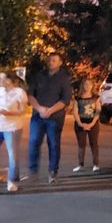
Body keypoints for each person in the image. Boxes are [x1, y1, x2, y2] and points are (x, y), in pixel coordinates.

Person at [25, 53, 72, 184]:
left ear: (60, 63)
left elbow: (65, 99)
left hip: (55, 118)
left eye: (54, 60)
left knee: (53, 144)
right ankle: (33, 172)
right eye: (50, 60)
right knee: (33, 142)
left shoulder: (64, 79)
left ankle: (53, 172)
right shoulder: (39, 76)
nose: (51, 62)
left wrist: (50, 110)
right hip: (38, 116)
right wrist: (39, 109)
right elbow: (30, 95)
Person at [70, 78, 102, 173]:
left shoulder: (96, 97)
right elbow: (75, 112)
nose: (87, 86)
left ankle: (96, 164)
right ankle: (80, 164)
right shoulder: (78, 98)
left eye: (89, 84)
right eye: (85, 84)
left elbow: (98, 111)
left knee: (94, 144)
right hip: (80, 124)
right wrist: (81, 124)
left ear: (92, 86)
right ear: (82, 86)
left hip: (93, 123)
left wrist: (92, 124)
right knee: (81, 145)